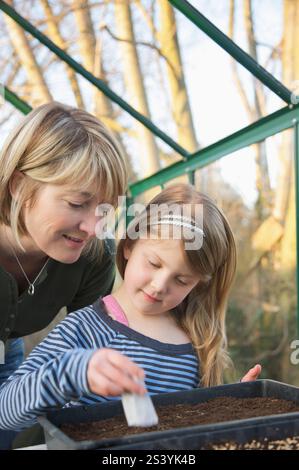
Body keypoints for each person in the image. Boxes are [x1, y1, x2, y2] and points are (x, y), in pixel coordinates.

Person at [0, 183, 261, 434]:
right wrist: (72, 373)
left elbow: (194, 425)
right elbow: (6, 412)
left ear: (198, 284)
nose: (159, 286)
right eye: (154, 263)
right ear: (129, 246)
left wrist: (231, 409)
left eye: (182, 280)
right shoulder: (85, 330)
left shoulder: (198, 342)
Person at [0, 101, 142, 447]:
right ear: (20, 185)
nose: (93, 227)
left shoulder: (93, 259)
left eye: (104, 208)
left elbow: (90, 347)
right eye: (77, 203)